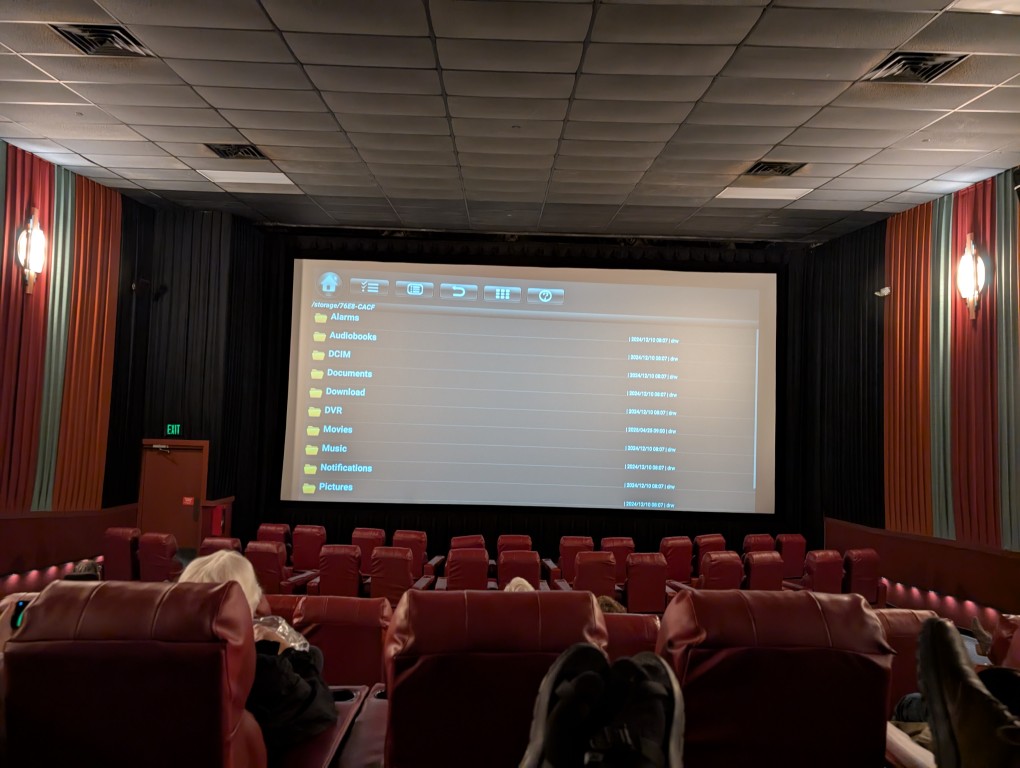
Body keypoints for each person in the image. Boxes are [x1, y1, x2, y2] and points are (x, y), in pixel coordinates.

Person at [178, 551, 337, 753]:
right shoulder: (265, 671)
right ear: (250, 605)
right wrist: (292, 652)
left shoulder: (159, 665)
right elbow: (321, 712)